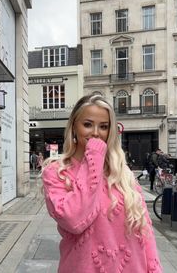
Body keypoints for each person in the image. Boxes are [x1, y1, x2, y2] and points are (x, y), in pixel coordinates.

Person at [42, 94, 162, 273]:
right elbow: (74, 220)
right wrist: (93, 160)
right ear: (74, 126)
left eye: (104, 126)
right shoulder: (56, 172)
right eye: (88, 124)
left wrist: (154, 269)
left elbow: (144, 229)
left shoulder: (122, 172)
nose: (96, 132)